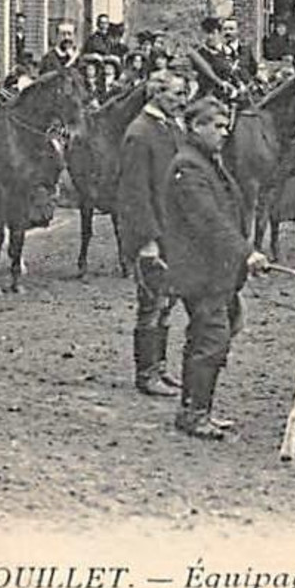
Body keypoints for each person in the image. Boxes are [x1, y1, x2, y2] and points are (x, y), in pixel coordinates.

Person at [161, 97, 269, 439]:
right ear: (196, 127)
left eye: (226, 126)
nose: (225, 133)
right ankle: (195, 414)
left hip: (217, 272)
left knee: (211, 335)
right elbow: (209, 220)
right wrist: (246, 253)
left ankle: (194, 408)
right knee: (211, 340)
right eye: (218, 127)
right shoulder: (189, 167)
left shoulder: (208, 161)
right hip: (201, 273)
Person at [117, 70, 190, 398]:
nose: (182, 100)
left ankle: (159, 367)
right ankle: (146, 373)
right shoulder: (140, 133)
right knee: (151, 304)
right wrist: (146, 241)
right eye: (176, 94)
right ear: (156, 93)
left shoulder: (169, 127)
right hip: (152, 234)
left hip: (170, 230)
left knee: (166, 302)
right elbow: (134, 194)